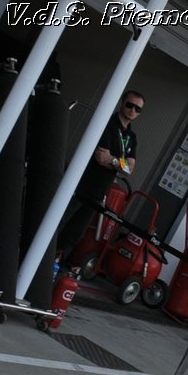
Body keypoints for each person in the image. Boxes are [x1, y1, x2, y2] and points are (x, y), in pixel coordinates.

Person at [57, 90, 142, 257]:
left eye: (138, 109)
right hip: (80, 184)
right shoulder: (107, 124)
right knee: (57, 222)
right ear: (121, 103)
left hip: (98, 193)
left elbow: (129, 169)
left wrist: (114, 160)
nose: (133, 110)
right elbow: (101, 158)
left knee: (75, 233)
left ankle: (54, 263)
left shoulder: (131, 136)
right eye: (130, 105)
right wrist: (119, 164)